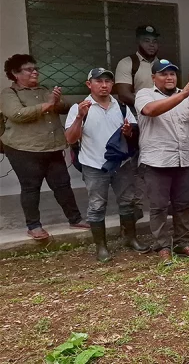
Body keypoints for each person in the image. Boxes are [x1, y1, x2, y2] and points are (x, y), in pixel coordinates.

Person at [1, 54, 88, 240]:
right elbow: (17, 114)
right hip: (23, 149)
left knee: (63, 185)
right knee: (31, 187)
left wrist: (56, 102)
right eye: (28, 69)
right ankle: (34, 226)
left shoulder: (44, 89)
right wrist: (48, 105)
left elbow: (65, 107)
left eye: (35, 68)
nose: (34, 72)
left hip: (52, 146)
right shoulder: (9, 93)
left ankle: (75, 218)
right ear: (15, 73)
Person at [64, 68, 148, 261]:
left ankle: (130, 238)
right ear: (89, 84)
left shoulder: (122, 107)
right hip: (94, 164)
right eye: (99, 81)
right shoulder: (79, 108)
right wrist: (79, 117)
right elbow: (70, 138)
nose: (104, 85)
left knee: (127, 201)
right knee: (97, 205)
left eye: (108, 82)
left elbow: (133, 134)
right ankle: (101, 247)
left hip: (121, 163)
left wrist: (128, 133)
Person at [135, 59, 189, 259]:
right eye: (163, 74)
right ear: (153, 77)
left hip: (184, 159)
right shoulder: (144, 94)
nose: (169, 77)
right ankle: (162, 247)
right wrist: (184, 93)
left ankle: (182, 243)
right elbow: (150, 111)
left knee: (182, 205)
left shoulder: (186, 94)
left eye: (172, 74)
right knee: (158, 206)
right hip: (156, 161)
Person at [113, 24, 160, 226]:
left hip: (158, 121)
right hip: (135, 121)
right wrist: (148, 106)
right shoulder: (128, 63)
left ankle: (152, 202)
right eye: (146, 40)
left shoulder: (162, 64)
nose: (151, 45)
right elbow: (123, 93)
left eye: (154, 41)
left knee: (152, 163)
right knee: (133, 164)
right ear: (138, 42)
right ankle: (134, 206)